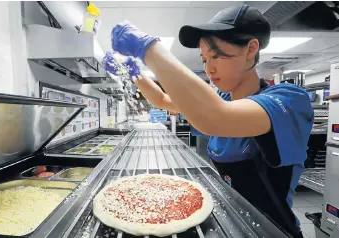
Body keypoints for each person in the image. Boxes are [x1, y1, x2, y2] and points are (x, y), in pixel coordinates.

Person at [111, 4, 314, 238]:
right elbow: (162, 100)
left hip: (273, 231)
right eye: (205, 59)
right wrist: (134, 73)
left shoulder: (288, 100)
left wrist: (148, 48)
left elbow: (216, 116)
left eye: (216, 56)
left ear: (251, 49)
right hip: (236, 223)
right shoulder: (221, 97)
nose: (209, 68)